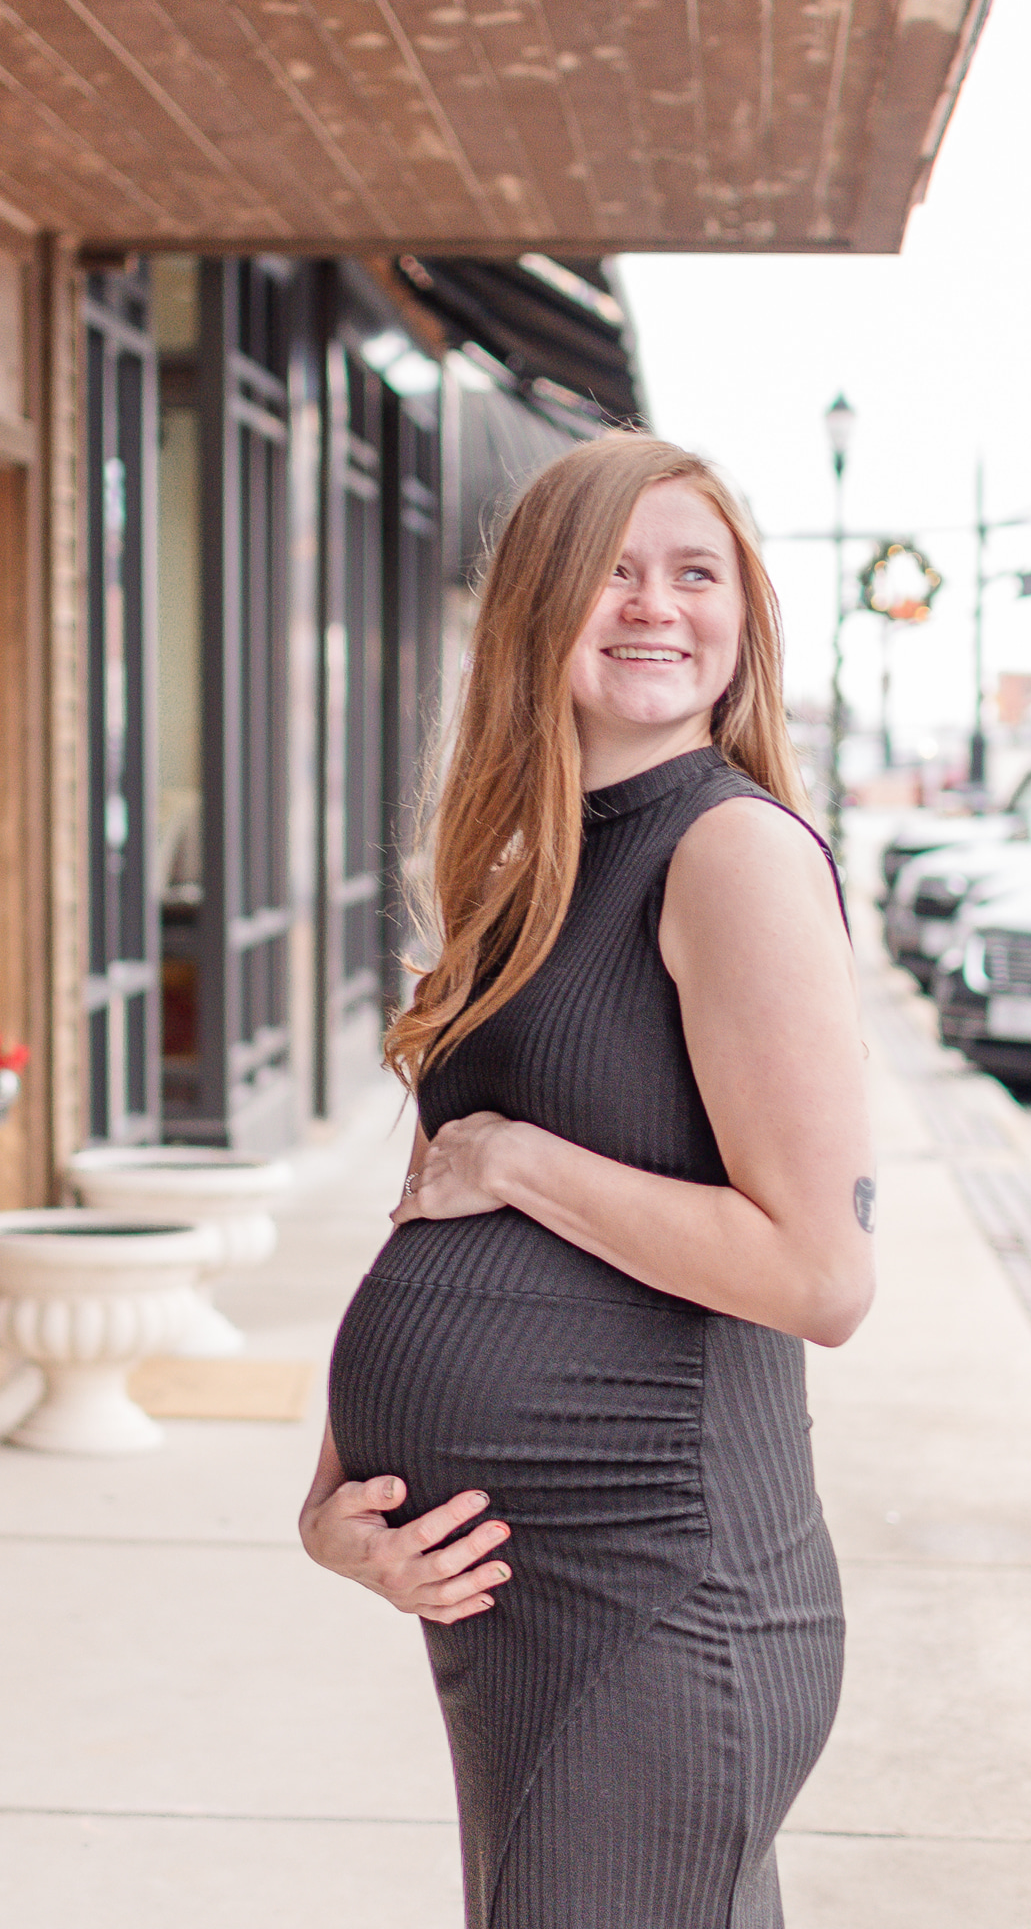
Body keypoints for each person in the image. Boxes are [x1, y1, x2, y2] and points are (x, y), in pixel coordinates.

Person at [299, 433, 875, 1928]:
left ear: (744, 621)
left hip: (664, 1598)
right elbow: (430, 1211)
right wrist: (334, 1498)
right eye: (613, 570)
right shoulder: (522, 876)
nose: (655, 606)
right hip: (527, 1602)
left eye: (697, 573)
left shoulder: (729, 852)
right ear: (535, 610)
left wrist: (526, 1158)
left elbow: (818, 1275)